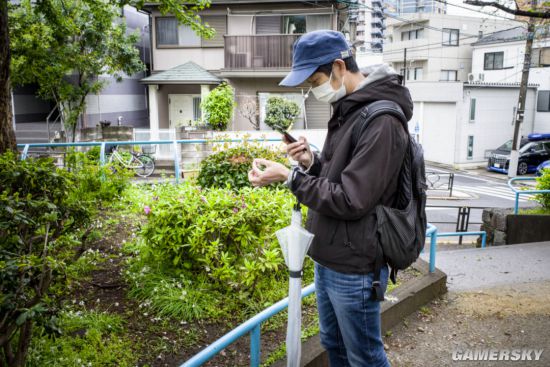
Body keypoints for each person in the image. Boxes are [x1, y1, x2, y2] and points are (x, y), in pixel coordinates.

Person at [248, 30, 413, 367]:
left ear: (340, 66)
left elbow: (353, 199)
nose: (313, 89)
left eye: (316, 79)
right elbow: (342, 177)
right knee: (333, 347)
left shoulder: (381, 120)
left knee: (364, 356)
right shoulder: (350, 109)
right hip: (329, 255)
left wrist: (289, 177)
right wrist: (312, 162)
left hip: (356, 265)